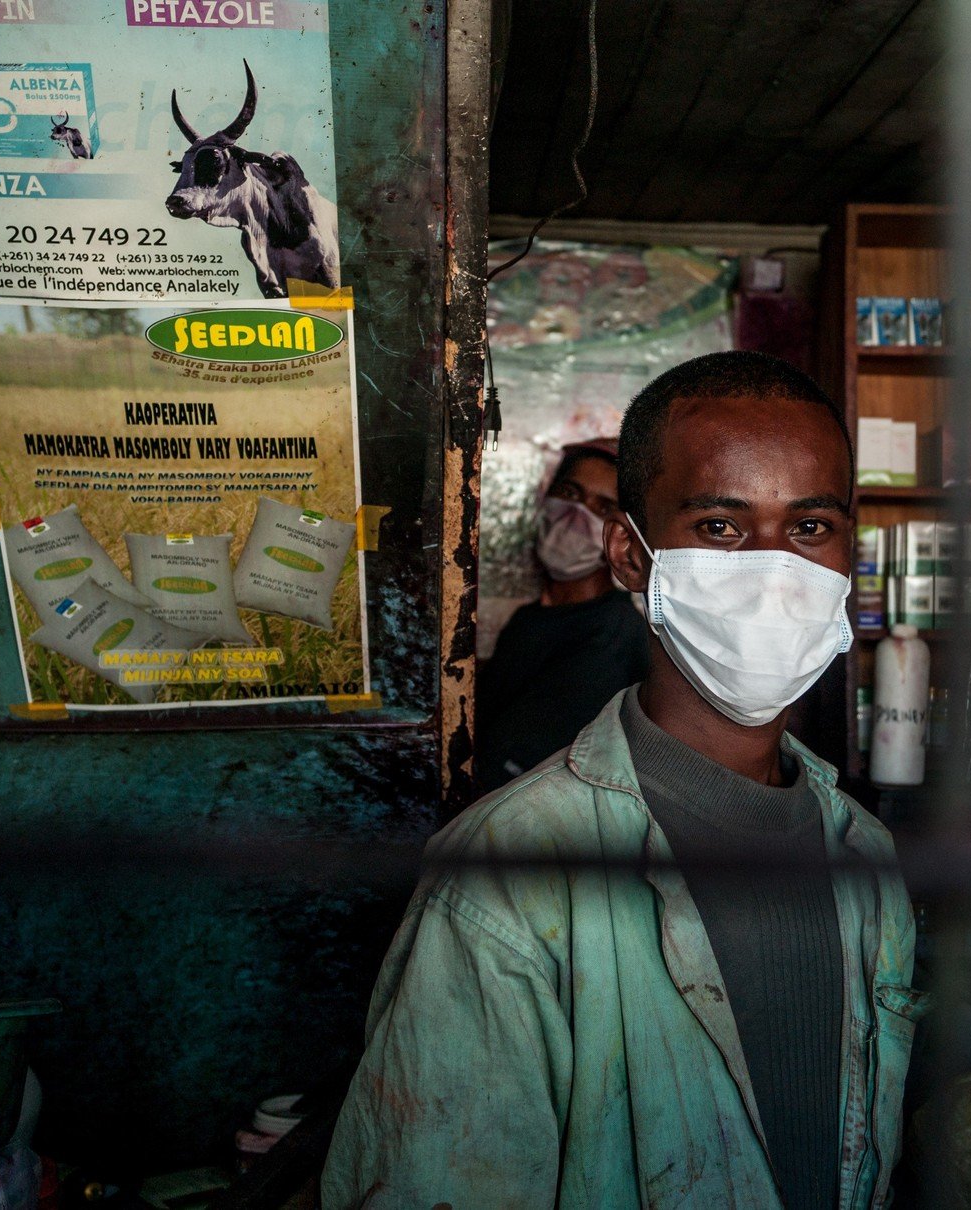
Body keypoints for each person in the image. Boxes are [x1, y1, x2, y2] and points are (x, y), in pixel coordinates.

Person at [324, 351, 921, 1209]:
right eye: (720, 526)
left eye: (809, 527)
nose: (772, 568)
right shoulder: (506, 876)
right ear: (632, 558)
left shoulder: (866, 858)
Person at [474, 437, 649, 792]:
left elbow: (513, 773)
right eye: (570, 493)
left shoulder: (611, 639)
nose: (575, 514)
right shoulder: (533, 617)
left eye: (602, 508)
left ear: (622, 536)